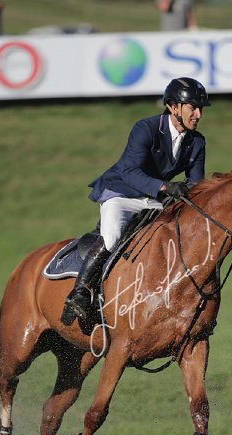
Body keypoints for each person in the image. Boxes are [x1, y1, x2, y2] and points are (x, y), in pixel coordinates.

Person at [60, 77, 211, 326]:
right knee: (112, 237)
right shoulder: (146, 128)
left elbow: (196, 183)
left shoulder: (197, 142)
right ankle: (79, 294)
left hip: (154, 200)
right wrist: (165, 187)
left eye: (200, 109)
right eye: (193, 108)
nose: (199, 115)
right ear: (173, 107)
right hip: (122, 193)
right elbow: (129, 172)